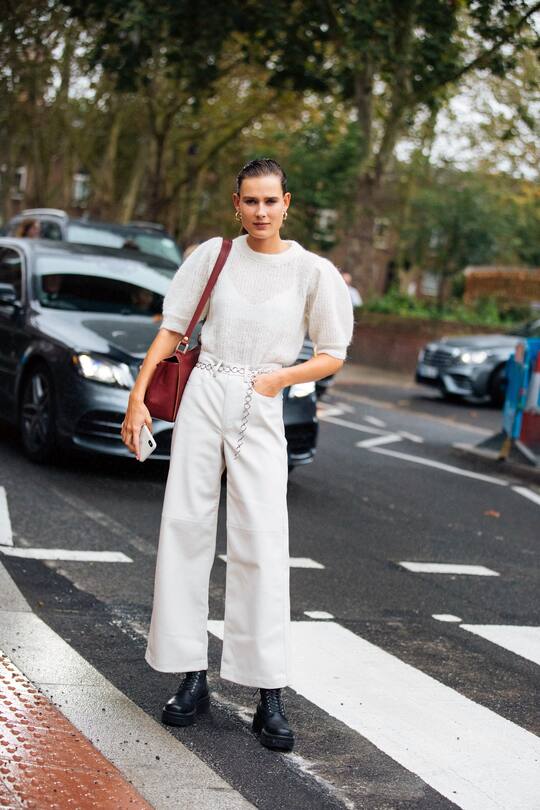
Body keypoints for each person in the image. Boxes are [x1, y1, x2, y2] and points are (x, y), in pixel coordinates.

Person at [121, 158, 354, 752]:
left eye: (270, 201)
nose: (260, 212)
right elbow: (172, 331)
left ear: (287, 202)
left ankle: (267, 691)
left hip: (261, 399)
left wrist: (277, 382)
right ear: (236, 203)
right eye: (250, 201)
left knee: (261, 540)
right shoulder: (211, 256)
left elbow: (332, 353)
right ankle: (189, 675)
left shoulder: (312, 271)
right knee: (185, 528)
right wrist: (137, 398)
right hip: (204, 394)